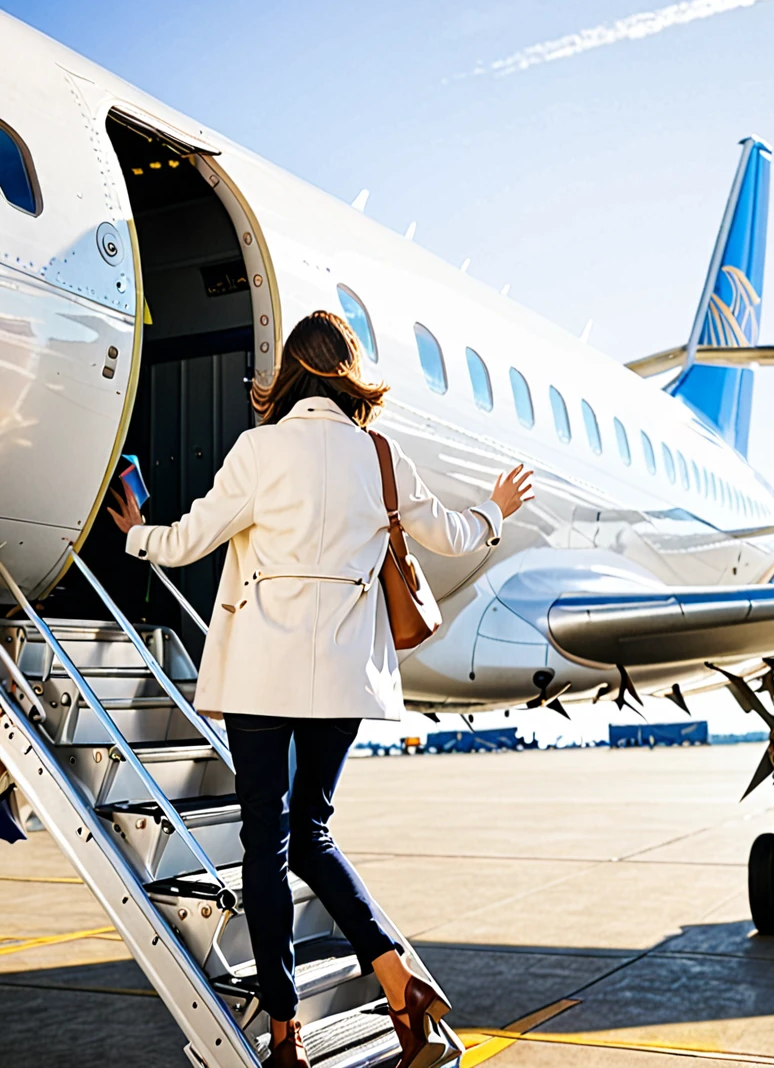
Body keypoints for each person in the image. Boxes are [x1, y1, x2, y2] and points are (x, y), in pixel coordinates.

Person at [109, 310, 533, 1067]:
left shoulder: (257, 451)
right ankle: (398, 980)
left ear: (291, 377)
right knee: (314, 835)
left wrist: (137, 529)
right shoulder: (381, 457)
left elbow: (185, 544)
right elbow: (453, 536)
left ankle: (286, 1034)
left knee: (265, 846)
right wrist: (496, 511)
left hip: (261, 680)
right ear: (348, 375)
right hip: (343, 683)